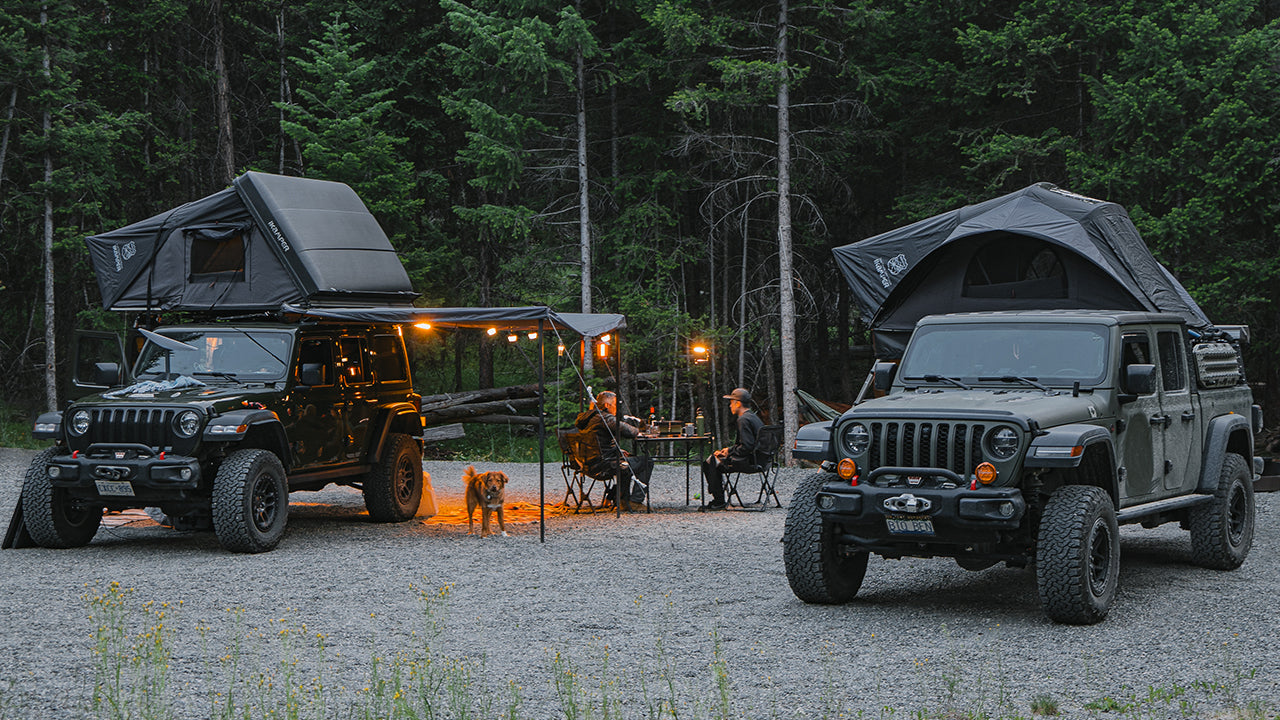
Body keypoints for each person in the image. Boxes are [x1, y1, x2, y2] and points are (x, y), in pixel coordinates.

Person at [574, 390, 654, 510]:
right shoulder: (604, 417)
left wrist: (616, 450)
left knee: (627, 461)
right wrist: (640, 430)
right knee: (647, 461)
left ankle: (622, 500)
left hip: (589, 463)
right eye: (615, 405)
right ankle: (635, 501)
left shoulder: (589, 418)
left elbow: (597, 442)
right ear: (607, 405)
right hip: (603, 464)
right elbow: (628, 431)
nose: (616, 408)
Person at [701, 387, 763, 510]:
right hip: (762, 460)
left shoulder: (743, 420)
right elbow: (748, 444)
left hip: (748, 461)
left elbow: (746, 446)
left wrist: (729, 454)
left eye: (731, 403)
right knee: (715, 459)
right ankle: (718, 498)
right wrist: (729, 450)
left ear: (738, 403)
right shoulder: (753, 417)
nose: (730, 406)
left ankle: (718, 501)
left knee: (710, 462)